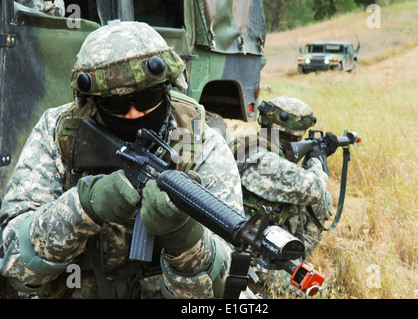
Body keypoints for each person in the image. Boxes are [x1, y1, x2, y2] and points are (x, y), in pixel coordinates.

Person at [0, 20, 243, 299]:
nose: (132, 114)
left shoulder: (198, 142)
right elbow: (13, 260)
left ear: (167, 87)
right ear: (92, 101)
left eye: (147, 97)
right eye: (115, 104)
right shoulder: (60, 133)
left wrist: (185, 239)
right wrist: (83, 208)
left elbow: (223, 288)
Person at [229, 96, 338, 296]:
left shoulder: (247, 144)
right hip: (245, 252)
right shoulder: (266, 161)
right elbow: (315, 190)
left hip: (241, 235)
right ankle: (280, 273)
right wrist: (316, 158)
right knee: (315, 293)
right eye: (299, 139)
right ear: (292, 137)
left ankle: (293, 258)